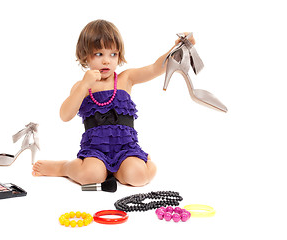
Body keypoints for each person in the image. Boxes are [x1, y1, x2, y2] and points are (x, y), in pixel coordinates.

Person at [32, 19, 194, 187]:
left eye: (113, 54)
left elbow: (155, 68)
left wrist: (177, 49)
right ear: (85, 55)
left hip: (126, 149)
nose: (107, 61)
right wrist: (84, 86)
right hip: (95, 151)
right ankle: (64, 167)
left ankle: (146, 162)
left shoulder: (126, 78)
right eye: (99, 54)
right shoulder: (82, 86)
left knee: (138, 176)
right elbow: (65, 115)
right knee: (91, 176)